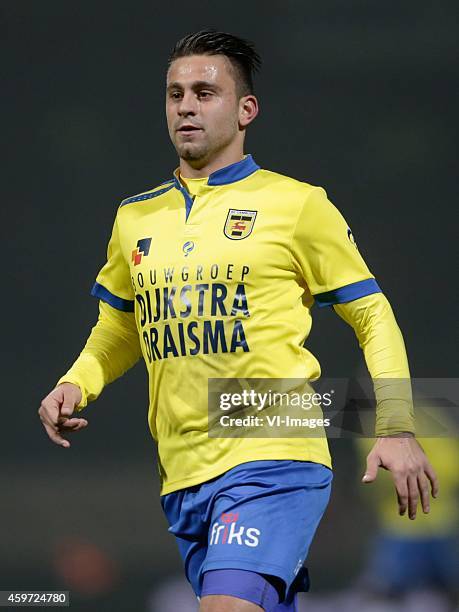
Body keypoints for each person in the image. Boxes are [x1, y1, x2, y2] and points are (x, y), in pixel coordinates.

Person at [38, 30, 439, 612]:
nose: (187, 106)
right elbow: (122, 326)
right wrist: (78, 381)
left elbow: (372, 314)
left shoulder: (298, 204)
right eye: (176, 94)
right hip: (182, 472)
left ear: (246, 109)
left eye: (206, 91)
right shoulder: (135, 217)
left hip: (272, 453)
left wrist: (397, 425)